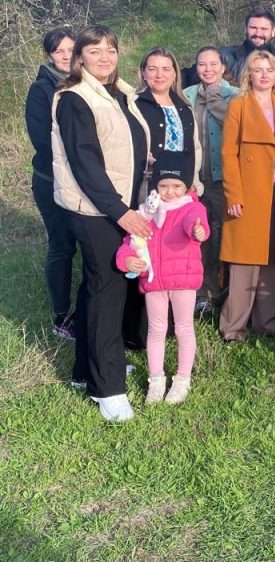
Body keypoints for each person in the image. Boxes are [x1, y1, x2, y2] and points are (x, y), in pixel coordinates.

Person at [52, 25, 151, 421]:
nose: (105, 57)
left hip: (122, 204)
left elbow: (121, 144)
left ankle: (84, 369)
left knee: (96, 288)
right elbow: (85, 163)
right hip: (97, 211)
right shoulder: (75, 99)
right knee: (107, 291)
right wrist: (120, 211)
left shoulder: (118, 92)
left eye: (110, 50)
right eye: (95, 51)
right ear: (80, 58)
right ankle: (106, 388)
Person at [219, 50, 275, 341]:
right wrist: (234, 195)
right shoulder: (238, 106)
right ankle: (233, 328)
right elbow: (228, 154)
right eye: (258, 69)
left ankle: (268, 323)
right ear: (248, 75)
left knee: (273, 259)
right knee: (244, 261)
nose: (264, 75)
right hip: (249, 192)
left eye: (269, 70)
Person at [116, 153, 209, 405]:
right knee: (156, 330)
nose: (169, 192)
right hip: (154, 282)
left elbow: (196, 224)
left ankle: (182, 380)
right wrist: (126, 260)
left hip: (183, 281)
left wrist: (197, 231)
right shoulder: (146, 213)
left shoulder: (192, 207)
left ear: (187, 186)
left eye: (176, 186)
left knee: (183, 329)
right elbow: (128, 243)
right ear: (154, 185)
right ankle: (156, 381)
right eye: (163, 185)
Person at [25, 27, 78, 339]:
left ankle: (89, 307)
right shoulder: (40, 90)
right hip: (52, 182)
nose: (66, 55)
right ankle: (61, 316)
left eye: (71, 49)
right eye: (59, 51)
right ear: (50, 55)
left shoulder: (87, 82)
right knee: (62, 246)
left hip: (84, 182)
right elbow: (43, 141)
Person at [184, 46, 239, 315]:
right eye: (202, 65)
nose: (208, 69)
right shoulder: (187, 96)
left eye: (213, 64)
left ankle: (228, 292)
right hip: (195, 179)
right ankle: (203, 293)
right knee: (199, 236)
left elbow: (235, 128)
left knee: (227, 237)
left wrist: (216, 100)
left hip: (223, 179)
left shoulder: (235, 96)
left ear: (222, 67)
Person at [183, 8, 275, 99]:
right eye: (253, 28)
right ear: (245, 29)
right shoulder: (225, 57)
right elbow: (188, 76)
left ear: (273, 31)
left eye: (264, 29)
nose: (258, 33)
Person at [135, 47, 204, 197]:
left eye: (166, 69)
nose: (160, 75)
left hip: (181, 192)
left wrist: (194, 182)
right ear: (143, 73)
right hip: (147, 191)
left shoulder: (185, 107)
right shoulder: (133, 105)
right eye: (153, 69)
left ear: (174, 74)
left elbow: (195, 149)